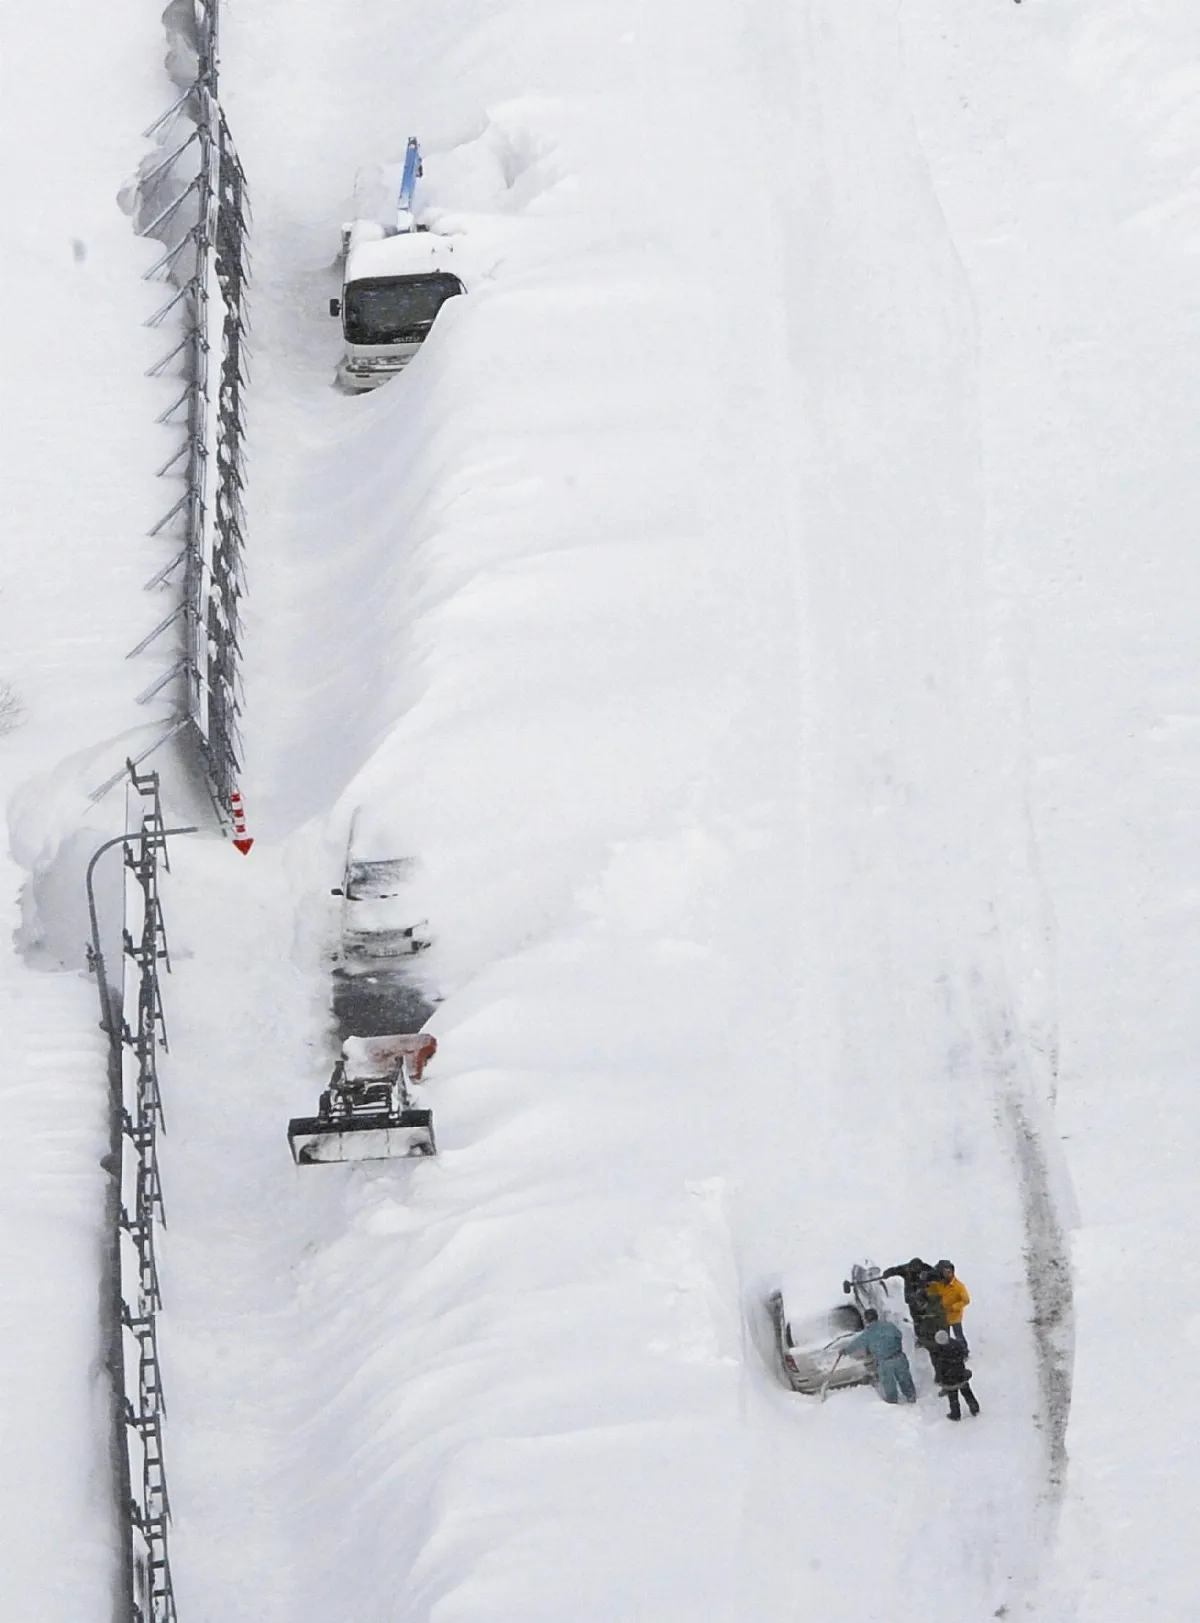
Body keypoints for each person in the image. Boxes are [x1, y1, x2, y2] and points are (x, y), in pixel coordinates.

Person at [840, 1309, 916, 1404]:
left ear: (866, 1320)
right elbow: (899, 1335)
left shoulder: (868, 1333)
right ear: (877, 1316)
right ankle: (911, 1396)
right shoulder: (889, 1325)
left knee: (889, 1384)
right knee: (904, 1378)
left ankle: (893, 1402)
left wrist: (845, 1351)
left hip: (884, 1362)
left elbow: (856, 1344)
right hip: (898, 1356)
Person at [930, 1328, 980, 1420]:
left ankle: (955, 1414)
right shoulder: (956, 1345)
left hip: (949, 1380)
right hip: (961, 1375)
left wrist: (941, 1380)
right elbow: (963, 1354)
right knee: (967, 1393)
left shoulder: (939, 1352)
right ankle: (974, 1408)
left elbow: (939, 1367)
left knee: (953, 1398)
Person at [927, 1260, 970, 1343]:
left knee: (959, 1335)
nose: (948, 1274)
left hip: (955, 1316)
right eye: (945, 1272)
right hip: (943, 1316)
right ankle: (949, 1351)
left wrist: (955, 1307)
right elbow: (930, 1292)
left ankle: (964, 1350)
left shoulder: (958, 1286)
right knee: (945, 1337)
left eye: (949, 1271)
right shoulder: (938, 1284)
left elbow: (966, 1300)